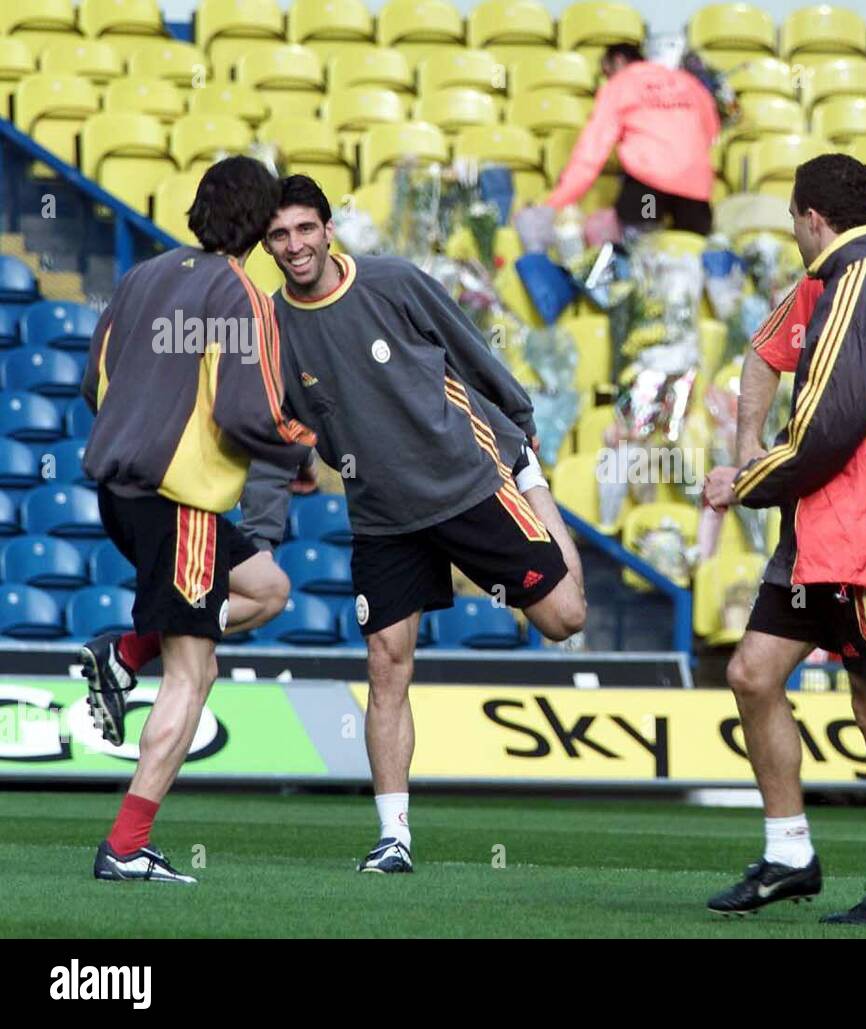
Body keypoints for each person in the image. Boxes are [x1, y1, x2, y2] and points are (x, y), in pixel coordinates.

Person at [261, 175, 586, 874]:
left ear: (327, 228)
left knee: (565, 617)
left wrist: (517, 434)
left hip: (464, 481)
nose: (294, 245)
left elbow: (471, 352)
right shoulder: (271, 325)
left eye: (304, 229)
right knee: (386, 664)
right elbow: (287, 420)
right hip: (381, 515)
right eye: (279, 235)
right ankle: (394, 835)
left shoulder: (393, 281)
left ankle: (534, 480)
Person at [702, 154, 866, 926]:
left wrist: (743, 478)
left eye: (791, 217)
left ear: (813, 218)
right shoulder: (848, 284)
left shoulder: (861, 288)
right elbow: (775, 363)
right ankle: (789, 853)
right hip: (819, 536)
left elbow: (827, 432)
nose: (791, 229)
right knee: (751, 672)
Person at [79, 156, 317, 883]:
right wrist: (303, 447)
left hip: (122, 491)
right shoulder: (241, 292)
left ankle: (125, 653)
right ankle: (125, 846)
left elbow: (96, 380)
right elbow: (247, 412)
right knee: (196, 671)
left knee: (267, 588)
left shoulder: (141, 276)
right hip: (182, 502)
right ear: (257, 222)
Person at [544, 43, 719, 235]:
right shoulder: (687, 82)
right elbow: (711, 132)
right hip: (695, 189)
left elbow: (592, 151)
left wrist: (556, 203)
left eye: (606, 72)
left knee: (642, 245)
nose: (607, 79)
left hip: (649, 188)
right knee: (692, 252)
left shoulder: (620, 84)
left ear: (618, 61)